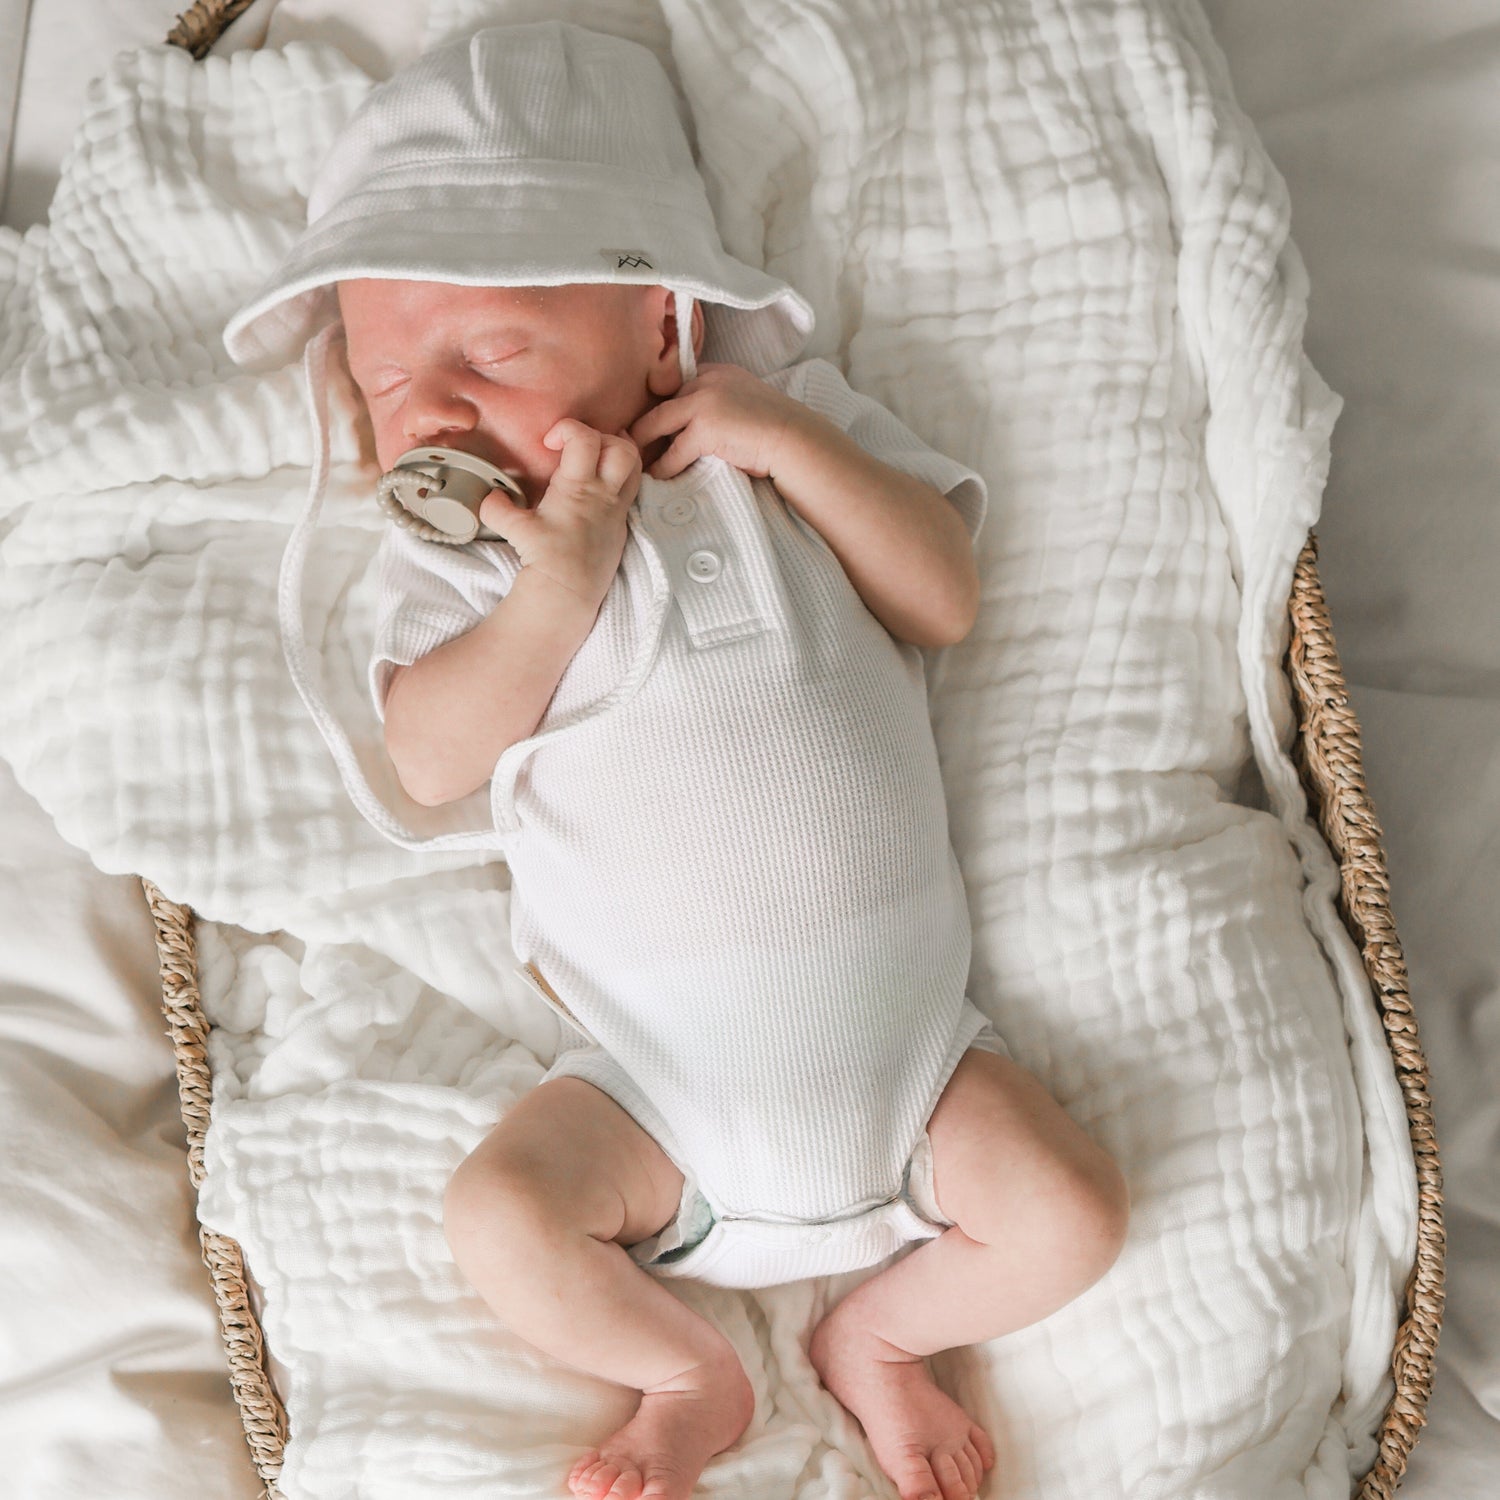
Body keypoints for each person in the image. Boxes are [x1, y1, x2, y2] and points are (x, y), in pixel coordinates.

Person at [224, 21, 1129, 1500]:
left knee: (1073, 1214)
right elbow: (432, 758)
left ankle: (881, 1338)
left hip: (917, 1073)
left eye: (489, 352)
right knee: (500, 1216)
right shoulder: (462, 568)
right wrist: (554, 590)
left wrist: (784, 437)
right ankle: (686, 1373)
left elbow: (942, 597)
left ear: (661, 327)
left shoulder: (786, 443)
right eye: (387, 382)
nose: (433, 407)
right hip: (651, 1099)